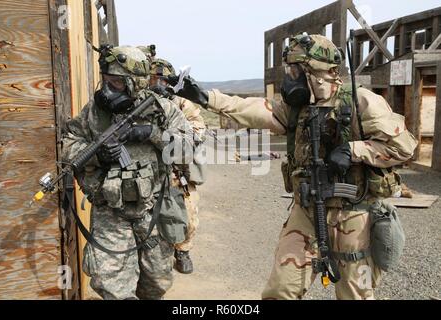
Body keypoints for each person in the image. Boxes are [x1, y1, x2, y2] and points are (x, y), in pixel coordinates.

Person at [167, 34, 418, 300]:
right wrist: (206, 98)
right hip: (307, 210)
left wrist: (356, 150)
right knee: (280, 290)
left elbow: (404, 147)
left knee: (356, 295)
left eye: (296, 70)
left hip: (355, 213)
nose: (291, 77)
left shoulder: (361, 102)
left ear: (318, 73)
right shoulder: (297, 108)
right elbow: (250, 108)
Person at [62, 45, 194, 300]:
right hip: (111, 211)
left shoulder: (162, 110)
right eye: (107, 81)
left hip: (153, 208)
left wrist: (151, 134)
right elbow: (68, 143)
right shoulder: (94, 112)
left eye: (117, 83)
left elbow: (188, 148)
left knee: (156, 282)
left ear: (135, 83)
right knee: (111, 285)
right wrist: (96, 154)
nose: (108, 89)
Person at [150, 57, 207, 274]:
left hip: (178, 171)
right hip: (152, 171)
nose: (158, 84)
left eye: (163, 80)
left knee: (189, 215)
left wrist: (174, 136)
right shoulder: (142, 103)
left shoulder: (181, 103)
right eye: (154, 79)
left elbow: (198, 129)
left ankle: (183, 251)